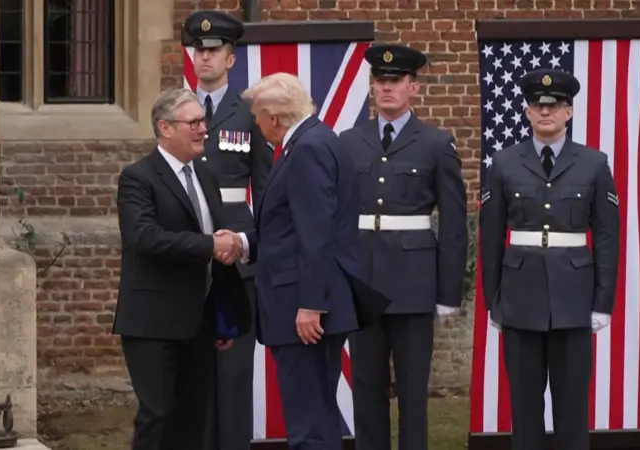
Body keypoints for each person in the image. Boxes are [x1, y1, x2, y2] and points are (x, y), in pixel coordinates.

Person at [216, 72, 391, 450]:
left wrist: (311, 304)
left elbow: (316, 233)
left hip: (304, 308)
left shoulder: (308, 149)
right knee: (316, 418)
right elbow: (290, 228)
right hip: (308, 301)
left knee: (308, 424)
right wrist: (243, 243)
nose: (256, 125)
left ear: (274, 117)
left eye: (257, 118)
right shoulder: (314, 141)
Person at [479, 68, 619, 450]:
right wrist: (494, 301)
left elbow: (607, 237)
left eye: (554, 105)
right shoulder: (504, 163)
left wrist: (603, 303)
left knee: (572, 406)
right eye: (537, 105)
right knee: (524, 407)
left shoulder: (594, 163)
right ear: (527, 111)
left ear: (569, 112)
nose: (545, 112)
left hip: (574, 299)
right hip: (520, 297)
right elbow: (491, 236)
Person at [338, 44, 468, 450]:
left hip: (414, 282)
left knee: (413, 390)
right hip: (363, 279)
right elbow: (336, 215)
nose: (387, 87)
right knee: (366, 386)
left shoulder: (436, 143)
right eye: (380, 80)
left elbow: (454, 223)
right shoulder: (349, 141)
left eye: (395, 81)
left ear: (414, 86)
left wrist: (448, 293)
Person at [112, 87, 253, 450]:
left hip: (199, 322)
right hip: (153, 322)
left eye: (203, 121)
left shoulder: (206, 174)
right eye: (193, 123)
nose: (203, 129)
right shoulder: (139, 177)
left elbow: (214, 237)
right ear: (165, 127)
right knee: (157, 415)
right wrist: (210, 246)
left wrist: (221, 312)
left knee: (192, 418)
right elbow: (145, 238)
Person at [181, 10, 274, 450]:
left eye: (214, 50)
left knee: (235, 375)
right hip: (192, 252)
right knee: (194, 374)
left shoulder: (250, 114)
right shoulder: (175, 110)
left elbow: (267, 189)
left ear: (230, 58)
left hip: (237, 257)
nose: (205, 57)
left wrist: (252, 244)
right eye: (199, 50)